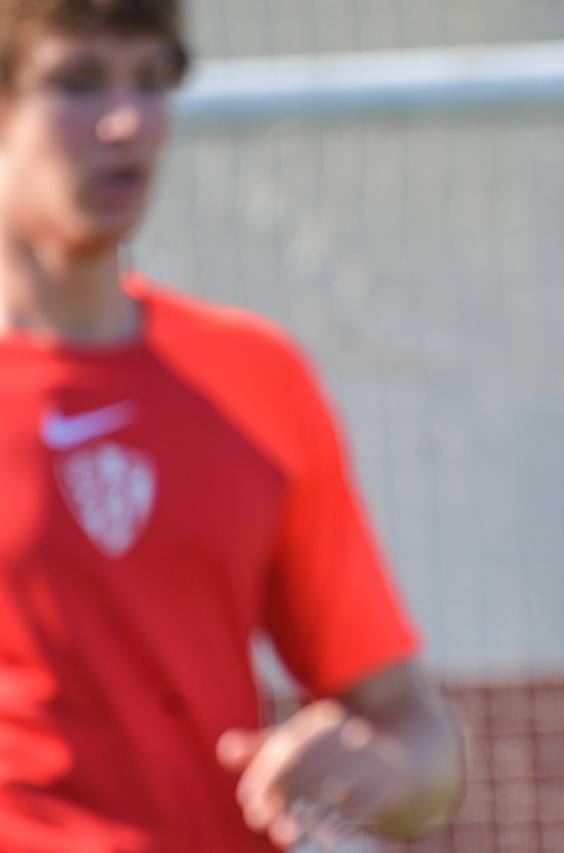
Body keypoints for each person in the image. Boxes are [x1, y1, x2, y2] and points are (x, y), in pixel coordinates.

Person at [0, 1, 464, 850]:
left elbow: (421, 738)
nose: (129, 119)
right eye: (79, 81)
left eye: (152, 80)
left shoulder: (254, 375)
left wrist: (382, 773)